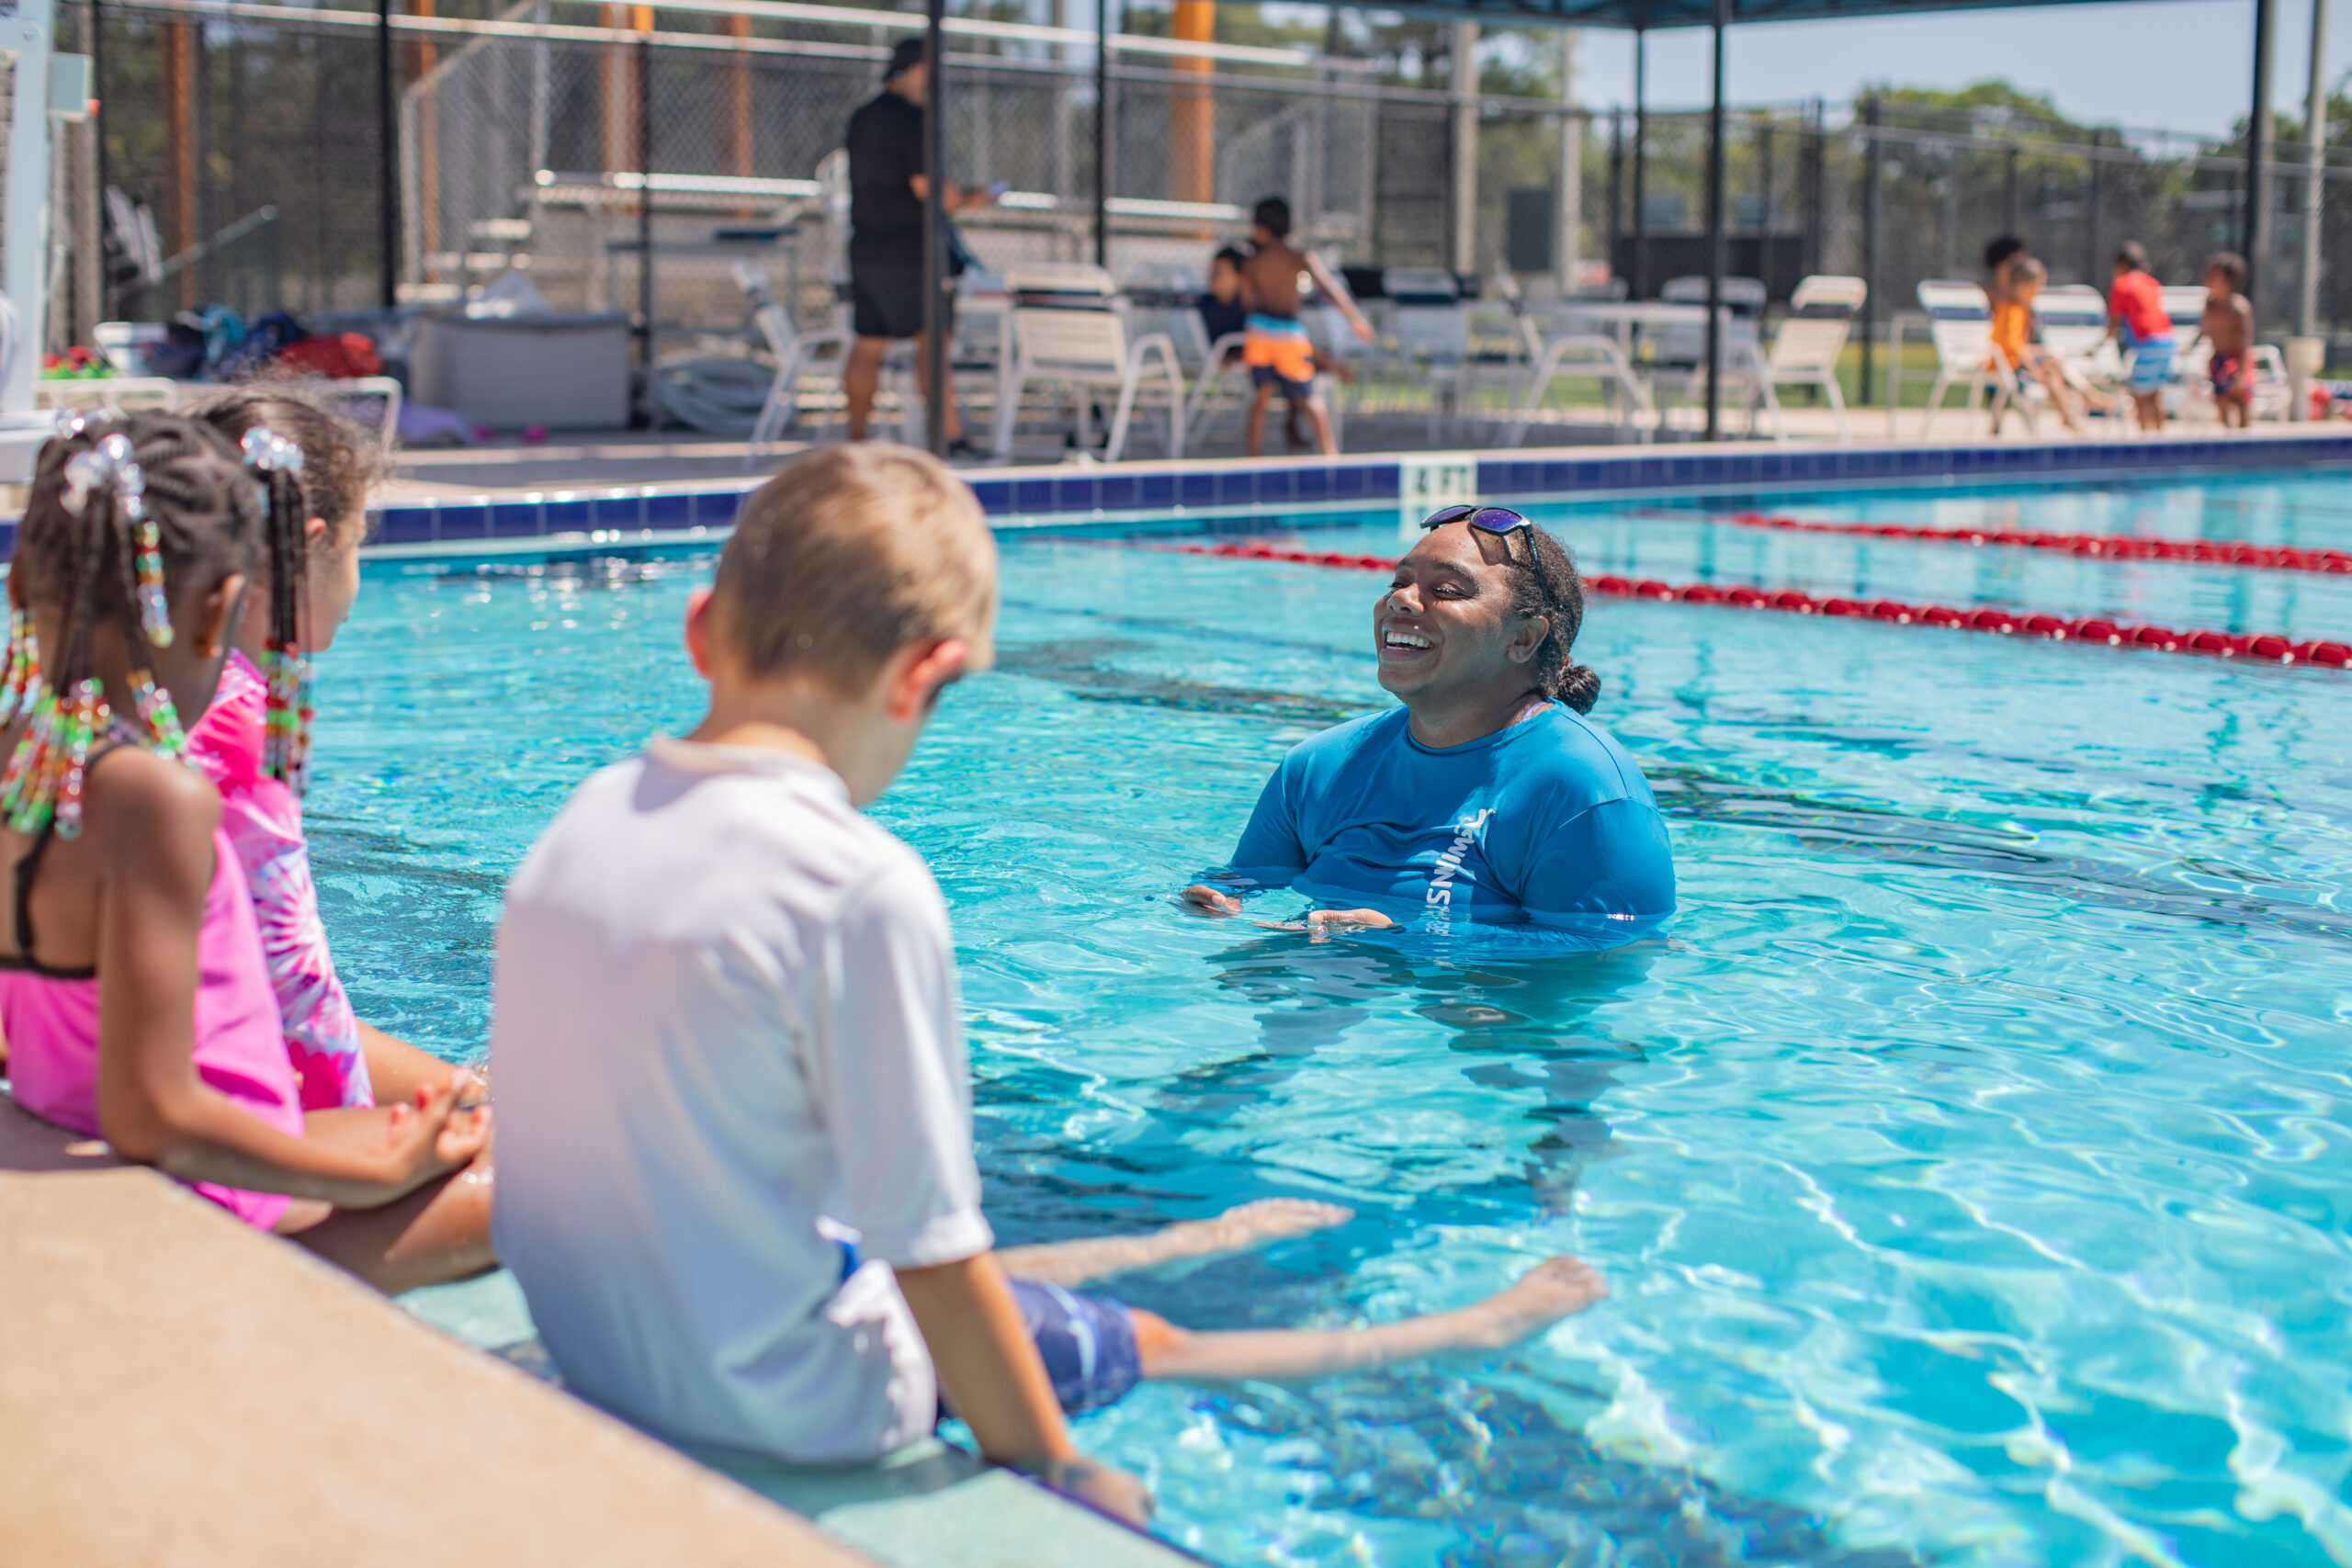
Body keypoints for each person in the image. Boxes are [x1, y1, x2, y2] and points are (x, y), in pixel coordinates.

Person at [488, 446, 1608, 1517]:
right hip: (776, 1403)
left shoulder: (583, 819)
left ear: (698, 633)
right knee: (1150, 1341)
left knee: (955, 1259)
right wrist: (1056, 1469)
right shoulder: (856, 884)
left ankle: (1173, 1239)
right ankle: (1466, 1329)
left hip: (596, 1341)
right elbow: (930, 1251)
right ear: (926, 674)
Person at [0, 413, 491, 1292]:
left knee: (485, 1114)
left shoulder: (27, 757)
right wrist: (382, 1169)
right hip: (216, 1199)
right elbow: (154, 1115)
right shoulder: (155, 800)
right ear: (222, 609)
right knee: (542, 1175)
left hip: (140, 1142)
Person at [1182, 504, 1675, 940]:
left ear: (1524, 639)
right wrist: (1218, 900)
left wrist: (1409, 936)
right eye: (1398, 583)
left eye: (1445, 589)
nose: (1400, 600)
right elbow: (1245, 880)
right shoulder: (1317, 766)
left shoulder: (1584, 790)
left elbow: (1612, 948)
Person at [842, 38, 993, 448]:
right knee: (933, 343)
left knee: (868, 345)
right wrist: (971, 198)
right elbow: (933, 193)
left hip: (865, 247)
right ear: (921, 69)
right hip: (909, 253)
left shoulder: (863, 116)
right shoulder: (912, 118)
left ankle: (857, 440)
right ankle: (950, 439)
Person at [1238, 197, 1373, 458]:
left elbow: (1246, 301)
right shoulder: (1299, 258)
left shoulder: (1253, 263)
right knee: (1309, 398)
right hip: (1288, 332)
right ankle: (1330, 456)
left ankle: (1253, 457)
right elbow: (1330, 289)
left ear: (1261, 229)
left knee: (1261, 396)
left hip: (1259, 332)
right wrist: (1355, 320)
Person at [1988, 257, 2085, 435]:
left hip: (2010, 365)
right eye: (2038, 285)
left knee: (2052, 365)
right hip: (2006, 367)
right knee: (2050, 371)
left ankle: (2074, 408)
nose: (2040, 291)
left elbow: (2018, 345)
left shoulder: (2017, 308)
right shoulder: (2013, 310)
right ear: (2026, 285)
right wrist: (2035, 369)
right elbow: (2014, 346)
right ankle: (2077, 407)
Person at [2102, 241, 2175, 433]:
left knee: (2139, 395)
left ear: (2121, 265)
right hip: (2168, 341)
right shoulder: (2151, 283)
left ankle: (2146, 443)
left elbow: (2114, 324)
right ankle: (2160, 438)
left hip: (2147, 344)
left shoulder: (2121, 284)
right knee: (2154, 394)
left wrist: (2098, 345)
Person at [2190, 251, 2255, 428]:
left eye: (2214, 275)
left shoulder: (2239, 308)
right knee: (2221, 401)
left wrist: (2241, 371)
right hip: (2218, 360)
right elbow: (2204, 330)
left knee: (2240, 401)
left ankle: (2244, 439)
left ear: (2230, 280)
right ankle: (2226, 440)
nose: (2208, 278)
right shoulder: (2209, 305)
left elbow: (2244, 341)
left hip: (2237, 361)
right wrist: (2191, 345)